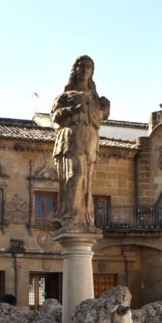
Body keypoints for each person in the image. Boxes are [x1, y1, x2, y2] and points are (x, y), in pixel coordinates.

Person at [51, 55, 110, 231]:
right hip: (71, 138)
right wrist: (73, 109)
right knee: (74, 175)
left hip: (90, 139)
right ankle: (69, 215)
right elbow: (55, 117)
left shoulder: (95, 97)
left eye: (89, 67)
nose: (85, 70)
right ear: (75, 69)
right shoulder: (64, 96)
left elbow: (99, 118)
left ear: (92, 72)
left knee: (87, 179)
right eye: (82, 66)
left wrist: (104, 109)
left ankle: (85, 218)